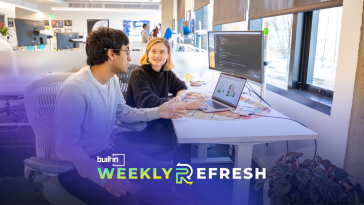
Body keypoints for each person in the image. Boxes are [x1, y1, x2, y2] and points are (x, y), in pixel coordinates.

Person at [52, 27, 187, 204]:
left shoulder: (112, 80)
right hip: (76, 168)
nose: (130, 57)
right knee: (128, 202)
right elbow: (65, 147)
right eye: (126, 51)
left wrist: (159, 111)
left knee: (164, 176)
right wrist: (104, 179)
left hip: (107, 155)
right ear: (111, 54)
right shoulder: (76, 89)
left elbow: (124, 113)